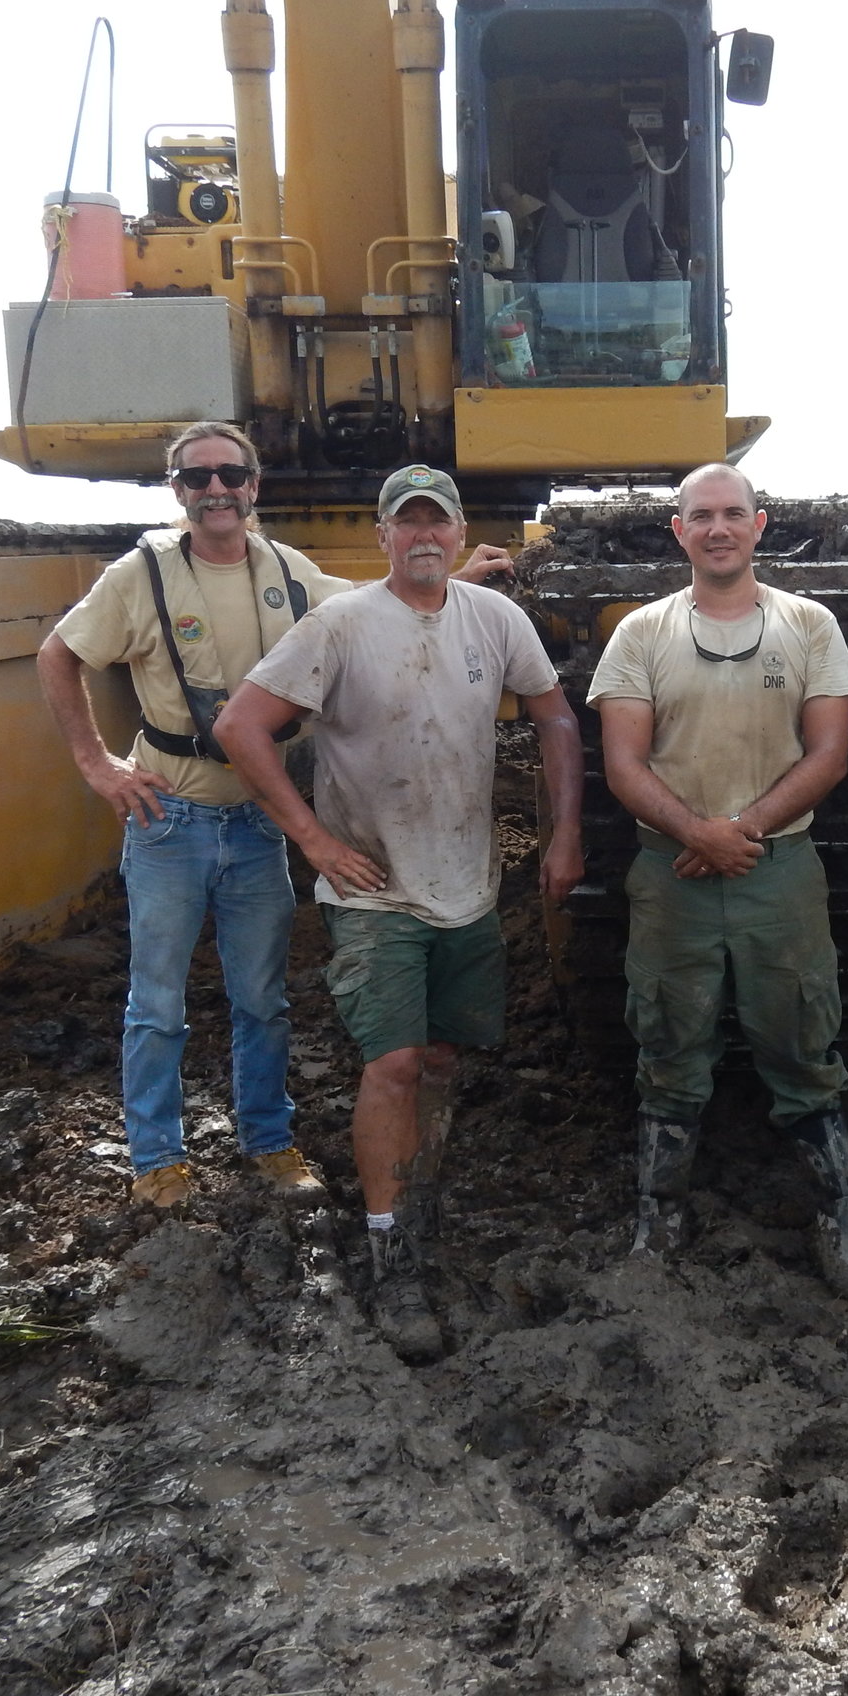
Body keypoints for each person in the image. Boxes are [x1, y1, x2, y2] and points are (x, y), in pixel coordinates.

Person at [38, 424, 509, 1210]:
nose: (215, 490)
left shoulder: (289, 573)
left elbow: (389, 605)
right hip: (169, 817)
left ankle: (267, 1140)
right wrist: (96, 762)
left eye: (231, 475)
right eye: (198, 478)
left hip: (258, 824)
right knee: (157, 1000)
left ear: (254, 486)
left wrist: (458, 573)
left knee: (262, 997)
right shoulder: (143, 573)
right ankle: (156, 1156)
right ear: (177, 490)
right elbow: (60, 653)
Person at [216, 464, 583, 1362]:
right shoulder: (339, 626)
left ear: (460, 534)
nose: (424, 536)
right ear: (383, 536)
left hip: (469, 881)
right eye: (406, 523)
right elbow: (239, 727)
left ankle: (419, 1196)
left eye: (439, 523)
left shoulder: (496, 620)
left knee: (445, 1056)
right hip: (374, 889)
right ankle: (392, 1254)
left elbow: (557, 717)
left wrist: (563, 831)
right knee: (394, 1062)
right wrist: (311, 839)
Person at [587, 463, 848, 1298]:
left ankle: (841, 1220)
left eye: (732, 514)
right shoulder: (640, 633)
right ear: (677, 531)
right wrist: (695, 832)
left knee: (800, 1039)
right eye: (700, 516)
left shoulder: (809, 624)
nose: (717, 528)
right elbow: (622, 760)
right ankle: (658, 1219)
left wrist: (737, 832)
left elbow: (829, 753)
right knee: (670, 1042)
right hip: (671, 870)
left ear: (760, 524)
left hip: (776, 869)